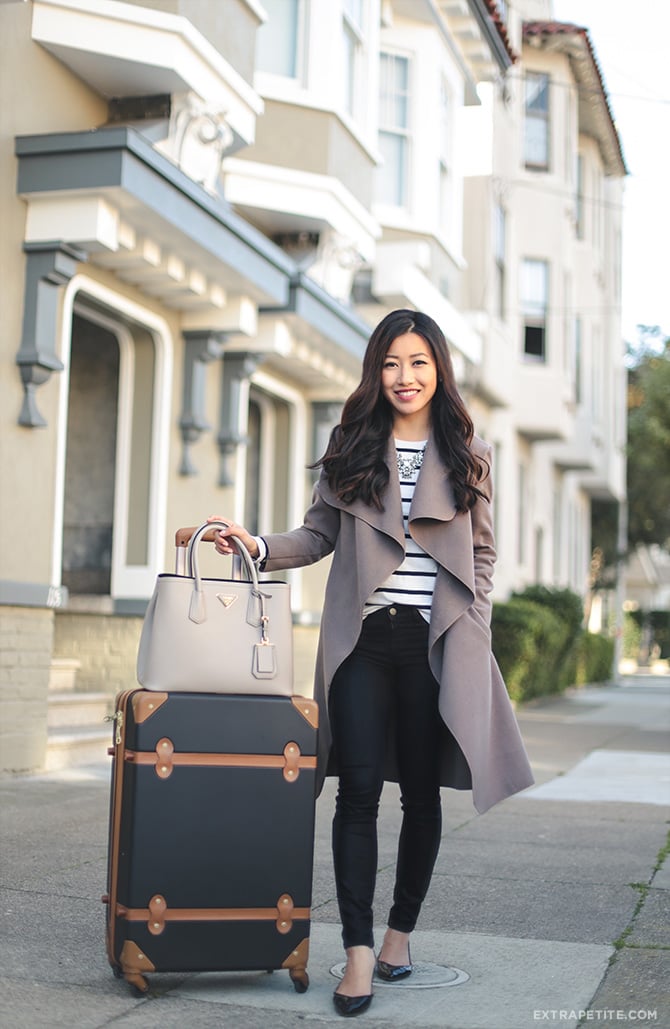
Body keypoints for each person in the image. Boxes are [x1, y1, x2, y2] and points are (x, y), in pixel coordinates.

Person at [209, 308, 534, 1018]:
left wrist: (474, 625)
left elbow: (482, 555)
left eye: (418, 362)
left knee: (421, 795)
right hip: (362, 642)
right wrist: (257, 545)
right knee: (355, 792)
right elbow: (316, 534)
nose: (404, 376)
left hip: (435, 643)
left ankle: (398, 935)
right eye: (391, 363)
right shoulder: (353, 441)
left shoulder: (465, 448)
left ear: (438, 369)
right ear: (376, 371)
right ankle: (356, 953)